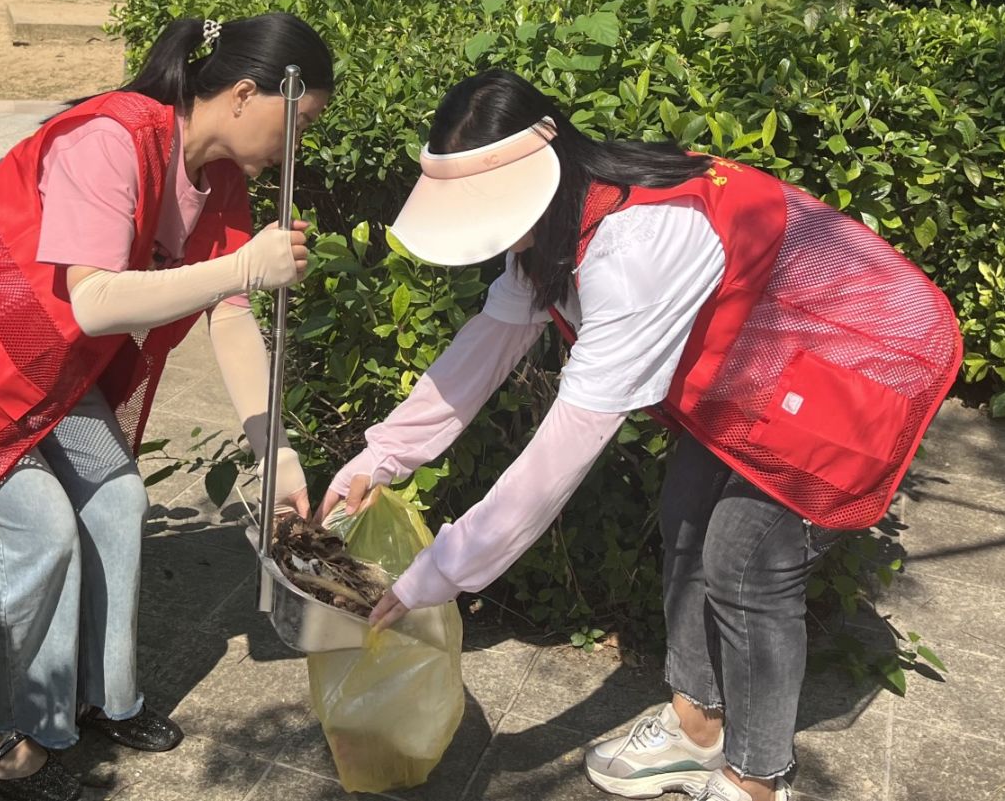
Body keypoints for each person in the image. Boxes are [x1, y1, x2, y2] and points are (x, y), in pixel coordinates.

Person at [323, 70, 960, 801]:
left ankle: (759, 778)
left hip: (862, 359)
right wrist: (380, 457)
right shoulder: (562, 214)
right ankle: (697, 726)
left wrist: (438, 572)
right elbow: (484, 349)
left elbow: (560, 454)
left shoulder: (634, 248)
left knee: (746, 564)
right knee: (686, 518)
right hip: (764, 362)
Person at [0, 13, 333, 801]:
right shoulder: (111, 139)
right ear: (247, 94)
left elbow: (232, 313)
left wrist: (274, 452)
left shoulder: (223, 181)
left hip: (45, 364)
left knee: (114, 500)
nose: (299, 145)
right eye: (300, 122)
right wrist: (244, 265)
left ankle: (93, 699)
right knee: (38, 530)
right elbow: (97, 299)